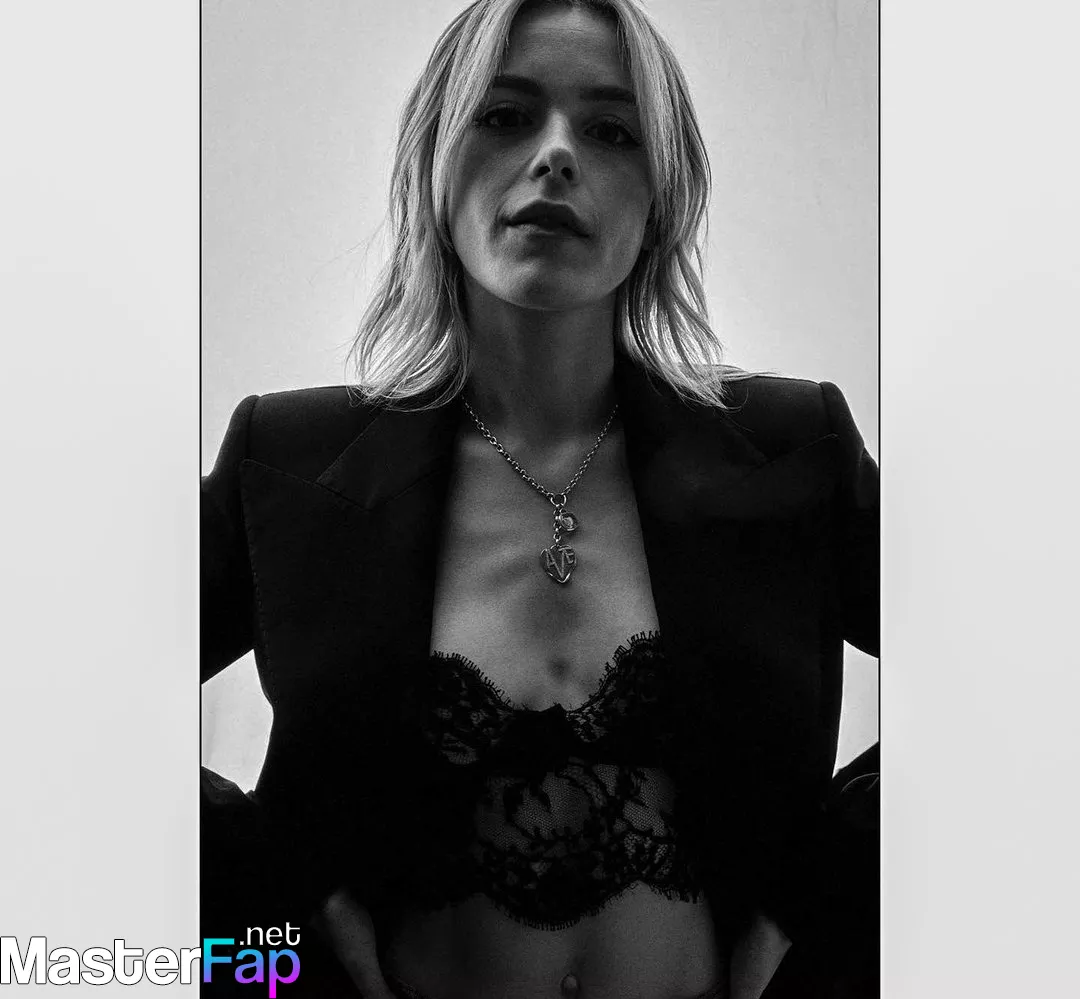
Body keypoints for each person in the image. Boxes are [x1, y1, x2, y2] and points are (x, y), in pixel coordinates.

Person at [201, 0, 879, 996]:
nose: (556, 155)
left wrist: (813, 896)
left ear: (663, 195)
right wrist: (277, 887)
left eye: (611, 131)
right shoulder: (292, 462)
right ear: (434, 161)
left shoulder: (790, 448)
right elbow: (69, 691)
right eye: (506, 115)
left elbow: (1009, 670)